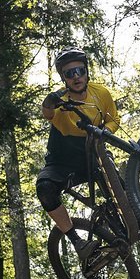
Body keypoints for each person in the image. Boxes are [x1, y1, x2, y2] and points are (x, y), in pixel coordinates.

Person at [37, 47, 120, 267]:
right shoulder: (60, 99)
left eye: (80, 71)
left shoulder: (100, 93)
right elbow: (47, 113)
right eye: (69, 73)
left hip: (92, 154)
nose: (76, 77)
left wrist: (105, 132)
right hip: (63, 161)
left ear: (86, 71)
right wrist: (49, 101)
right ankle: (78, 242)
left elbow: (114, 119)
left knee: (119, 184)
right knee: (44, 188)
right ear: (63, 78)